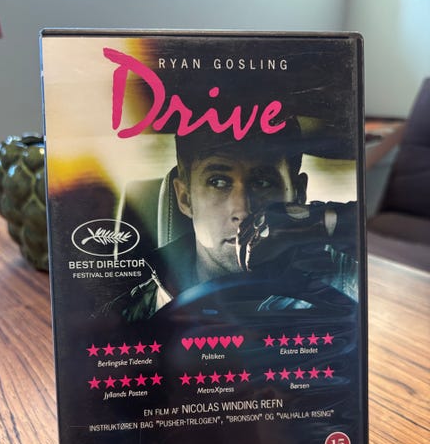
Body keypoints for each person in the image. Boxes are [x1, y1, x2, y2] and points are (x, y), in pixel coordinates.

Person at [110, 119, 358, 322]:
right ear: (185, 198)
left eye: (263, 182)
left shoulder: (341, 276)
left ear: (298, 193)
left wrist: (322, 222)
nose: (243, 210)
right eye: (218, 182)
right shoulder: (138, 308)